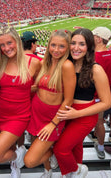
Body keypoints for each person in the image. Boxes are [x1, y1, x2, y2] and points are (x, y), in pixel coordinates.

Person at [53, 28, 111, 178]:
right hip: (68, 112)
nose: (76, 48)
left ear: (89, 47)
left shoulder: (96, 69)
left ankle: (77, 171)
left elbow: (107, 103)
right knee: (76, 147)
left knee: (60, 149)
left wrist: (77, 113)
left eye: (82, 44)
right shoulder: (67, 64)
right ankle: (72, 172)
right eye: (73, 43)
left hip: (84, 115)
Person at [0, 27, 41, 178]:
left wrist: (26, 90)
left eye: (9, 43)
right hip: (0, 114)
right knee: (7, 147)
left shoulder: (33, 62)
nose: (6, 48)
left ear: (17, 41)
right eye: (2, 45)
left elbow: (42, 85)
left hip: (19, 116)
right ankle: (14, 164)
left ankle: (17, 157)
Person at [24, 29, 76, 178]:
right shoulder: (44, 63)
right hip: (36, 113)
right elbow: (40, 87)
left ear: (67, 49)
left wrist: (53, 124)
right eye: (53, 45)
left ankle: (55, 151)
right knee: (36, 145)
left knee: (29, 161)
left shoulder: (66, 66)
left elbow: (68, 100)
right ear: (48, 45)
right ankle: (48, 171)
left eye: (61, 46)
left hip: (51, 119)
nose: (56, 50)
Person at [87, 27, 111, 159]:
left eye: (93, 36)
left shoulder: (92, 56)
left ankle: (99, 147)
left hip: (91, 96)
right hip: (106, 96)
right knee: (100, 122)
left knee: (93, 123)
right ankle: (100, 146)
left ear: (98, 39)